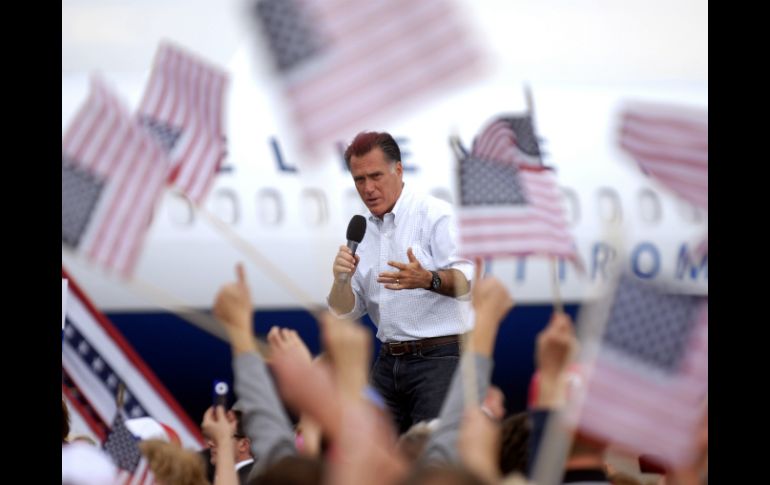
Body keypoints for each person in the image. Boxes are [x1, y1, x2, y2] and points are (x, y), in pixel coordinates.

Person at [328, 131, 474, 433]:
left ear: (399, 170)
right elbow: (345, 311)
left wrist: (428, 279)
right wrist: (340, 281)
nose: (368, 189)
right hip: (388, 360)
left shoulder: (434, 214)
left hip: (441, 358)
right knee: (372, 457)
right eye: (359, 180)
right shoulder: (362, 232)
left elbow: (468, 278)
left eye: (375, 176)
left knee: (431, 461)